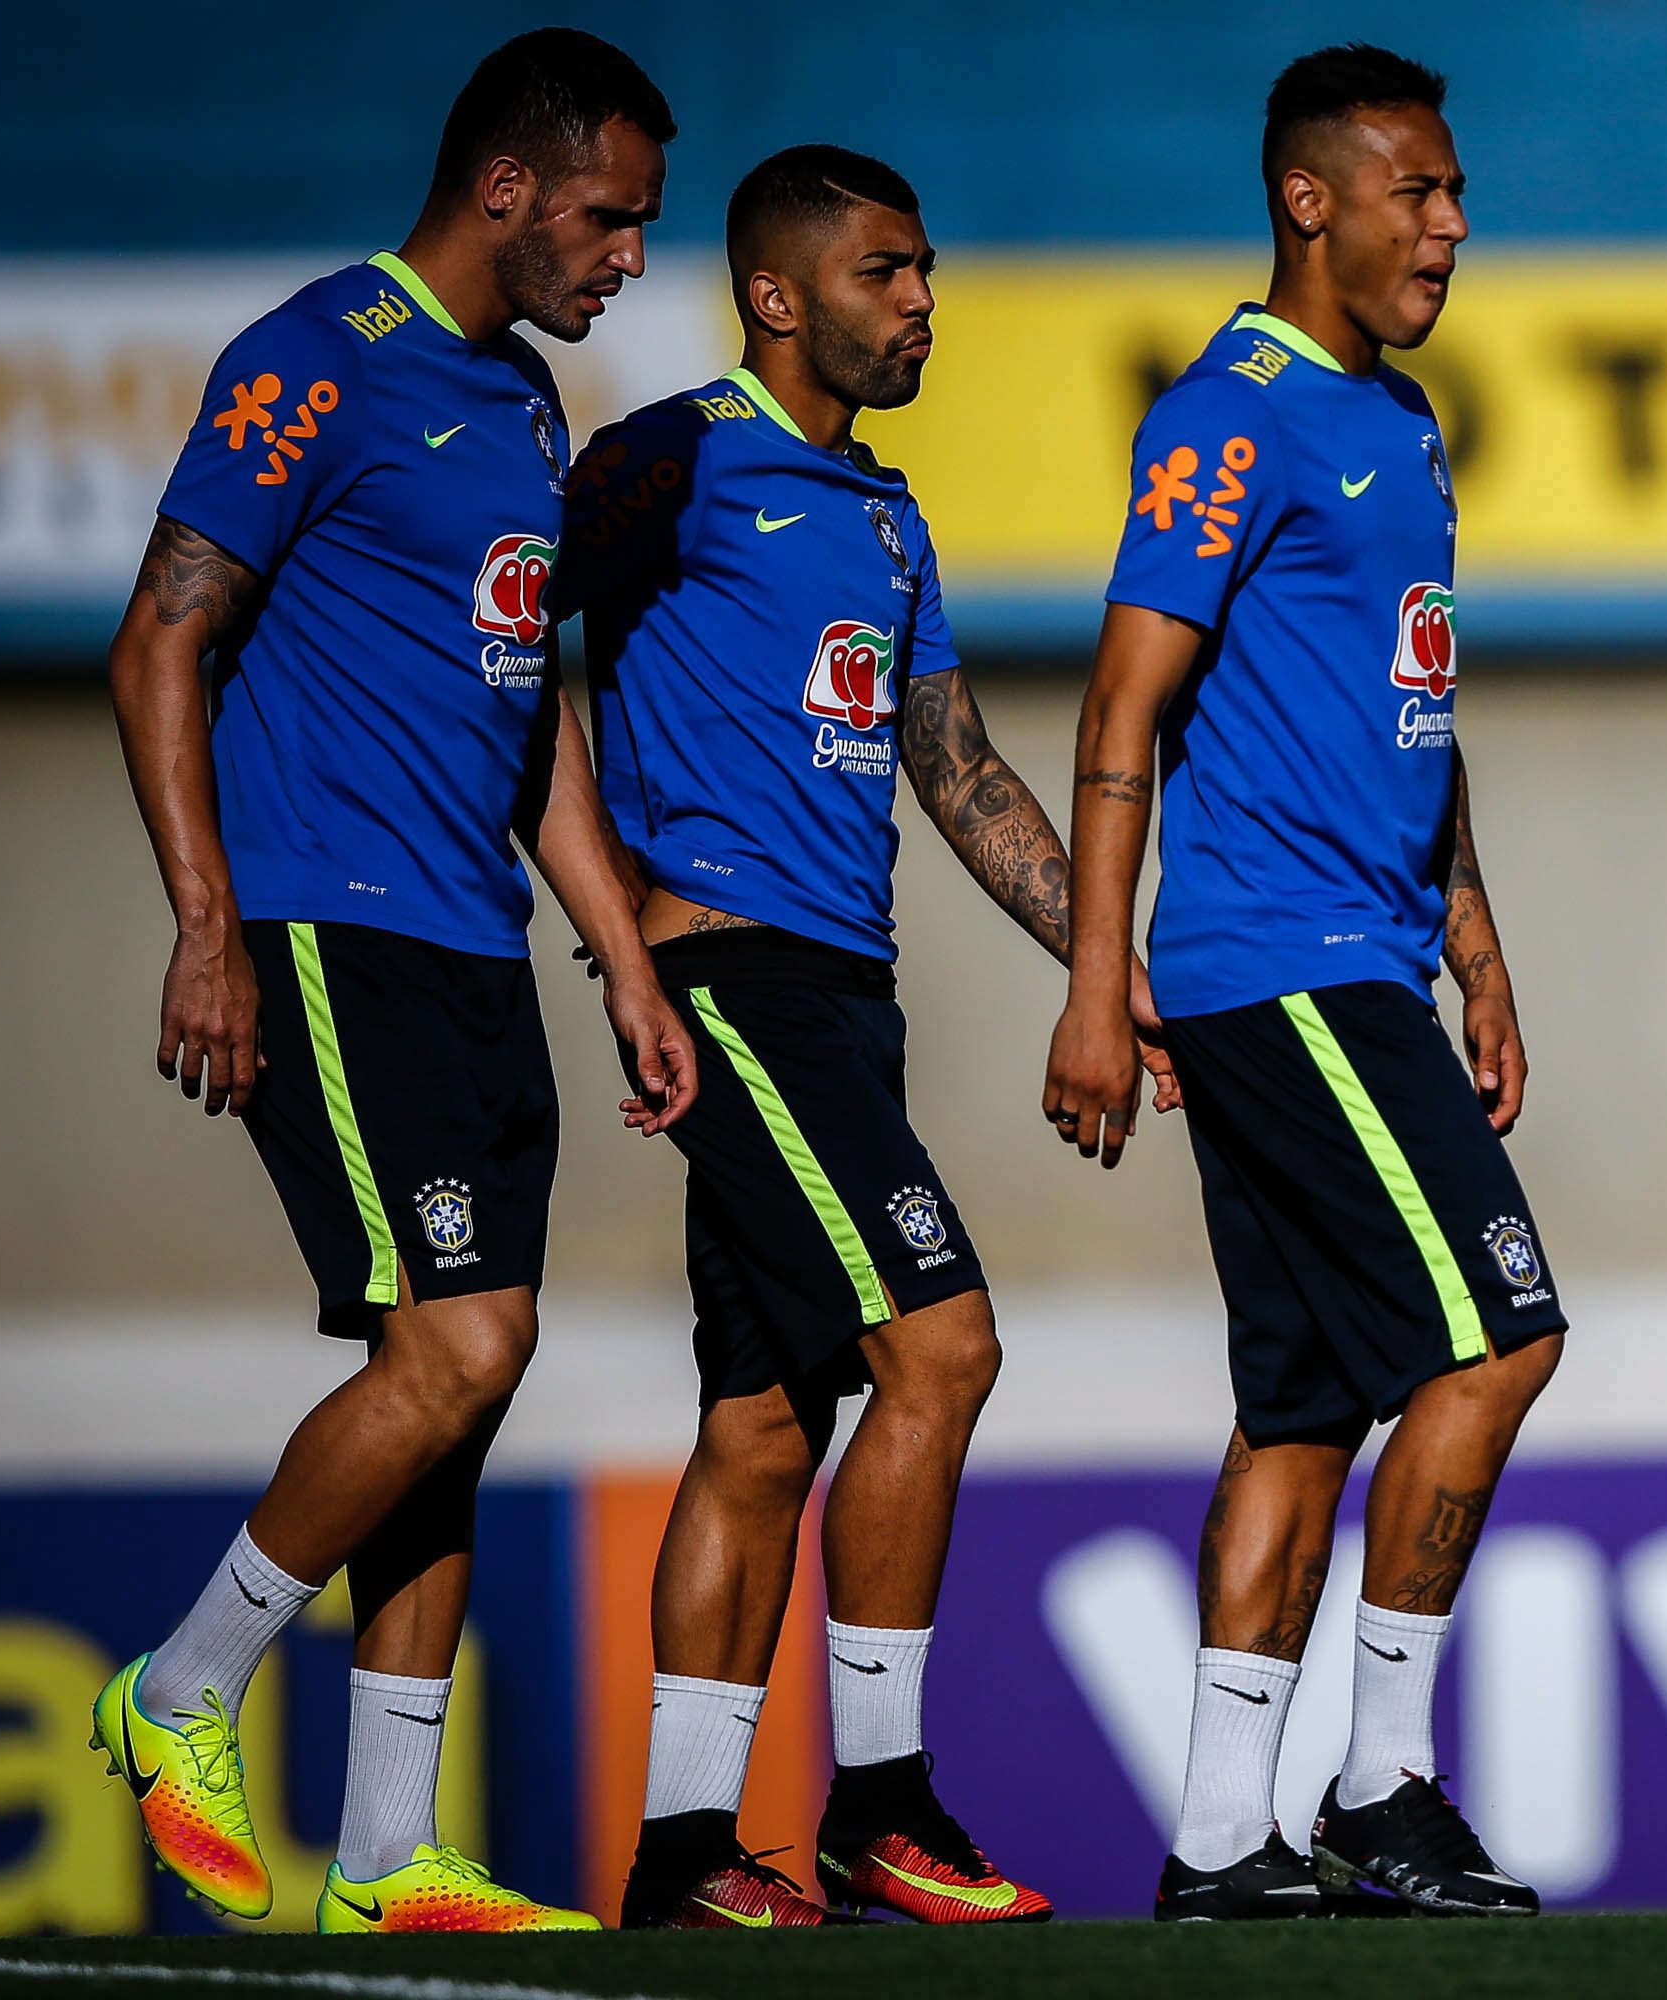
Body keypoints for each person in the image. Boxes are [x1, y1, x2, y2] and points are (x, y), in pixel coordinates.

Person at [94, 30, 689, 1935]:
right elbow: (159, 648)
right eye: (608, 218)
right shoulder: (311, 356)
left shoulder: (521, 408)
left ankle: (383, 1855)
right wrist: (206, 920)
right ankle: (181, 1691)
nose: (626, 262)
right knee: (461, 1350)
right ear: (506, 189)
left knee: (450, 1388)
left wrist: (620, 957)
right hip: (326, 933)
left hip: (471, 946)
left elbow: (534, 724)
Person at [553, 145, 1161, 1931]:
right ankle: (879, 1808)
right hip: (731, 983)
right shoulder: (664, 457)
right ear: (778, 292)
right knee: (945, 1348)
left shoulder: (886, 517)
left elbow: (959, 776)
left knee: (760, 1426)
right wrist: (623, 944)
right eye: (889, 274)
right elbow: (502, 663)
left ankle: (679, 1857)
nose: (921, 305)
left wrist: (1103, 968)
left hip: (845, 1002)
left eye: (926, 273)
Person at [1044, 43, 1559, 1920]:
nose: (1453, 223)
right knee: (1500, 1345)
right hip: (1284, 970)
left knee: (1303, 1413)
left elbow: (1411, 707)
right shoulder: (1229, 412)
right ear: (1308, 200)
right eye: (1419, 189)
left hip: (1371, 962)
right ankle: (1383, 1782)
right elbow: (1123, 701)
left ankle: (1213, 1838)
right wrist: (1099, 987)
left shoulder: (1401, 416)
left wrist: (1478, 941)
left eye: (1453, 189)